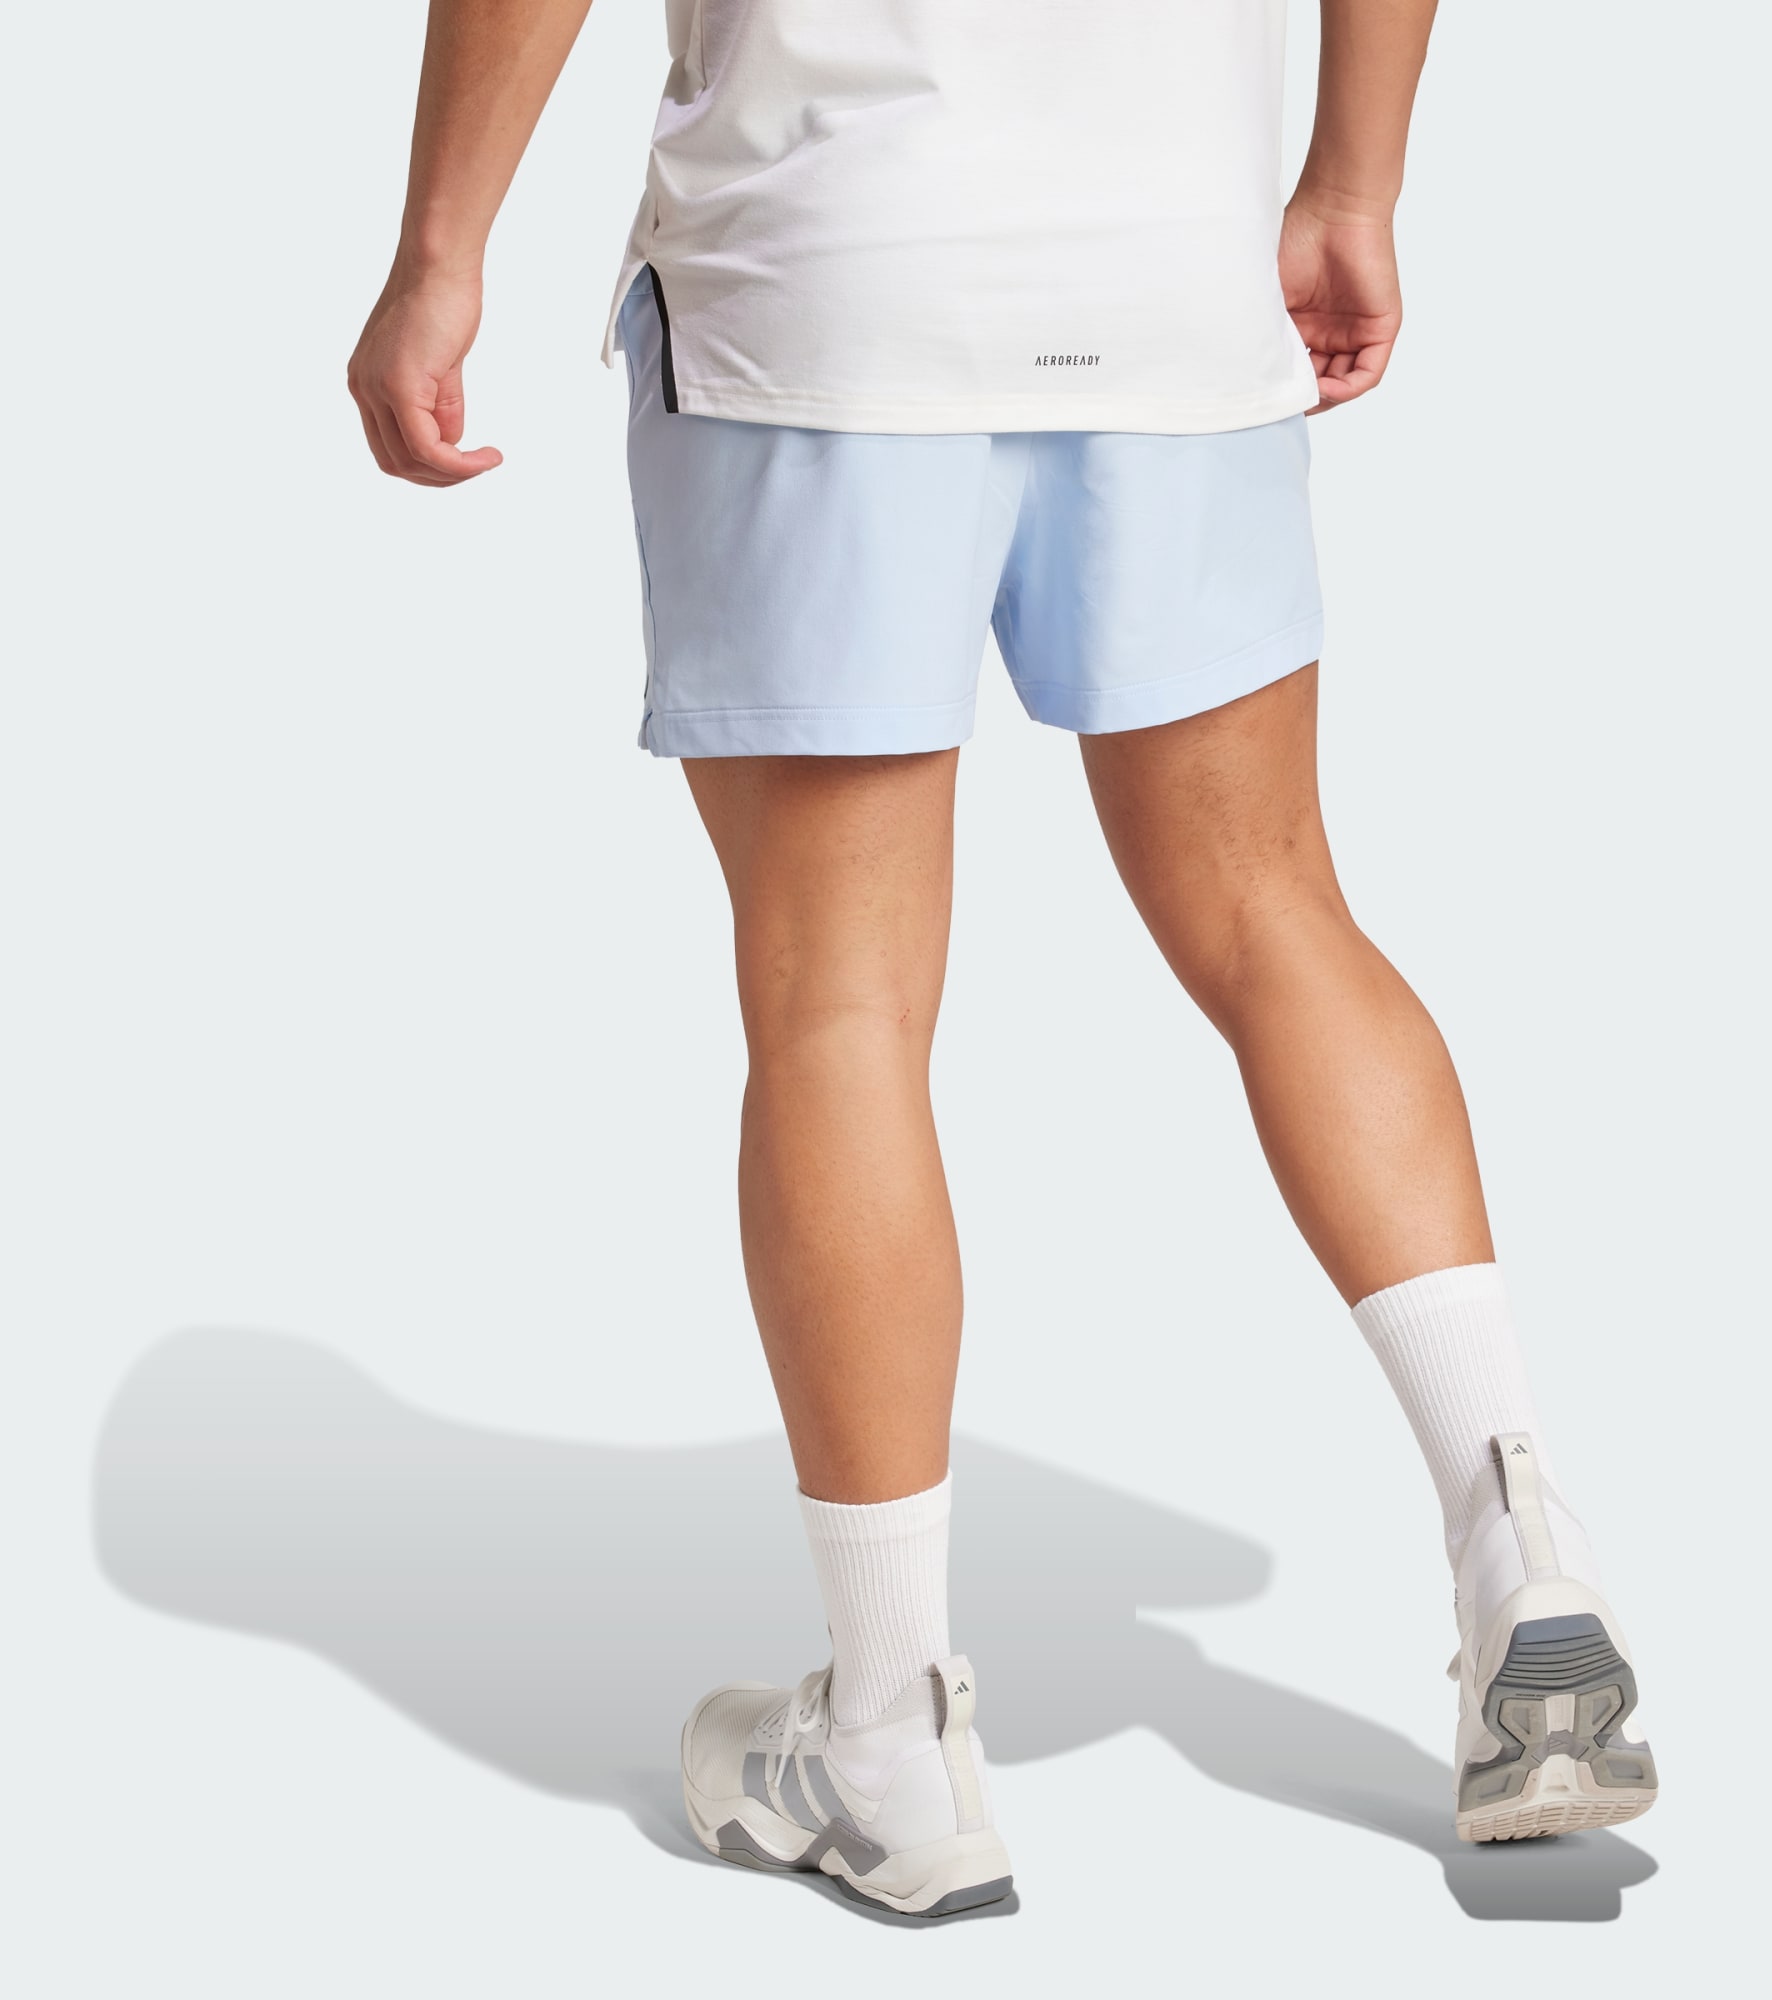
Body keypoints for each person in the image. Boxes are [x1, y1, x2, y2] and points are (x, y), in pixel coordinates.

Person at [349, 0, 1659, 1920]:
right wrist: (1355, 180)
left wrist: (439, 250)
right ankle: (1519, 1535)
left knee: (840, 1002)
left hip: (828, 286)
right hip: (1171, 280)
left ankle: (888, 1733)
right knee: (1275, 914)